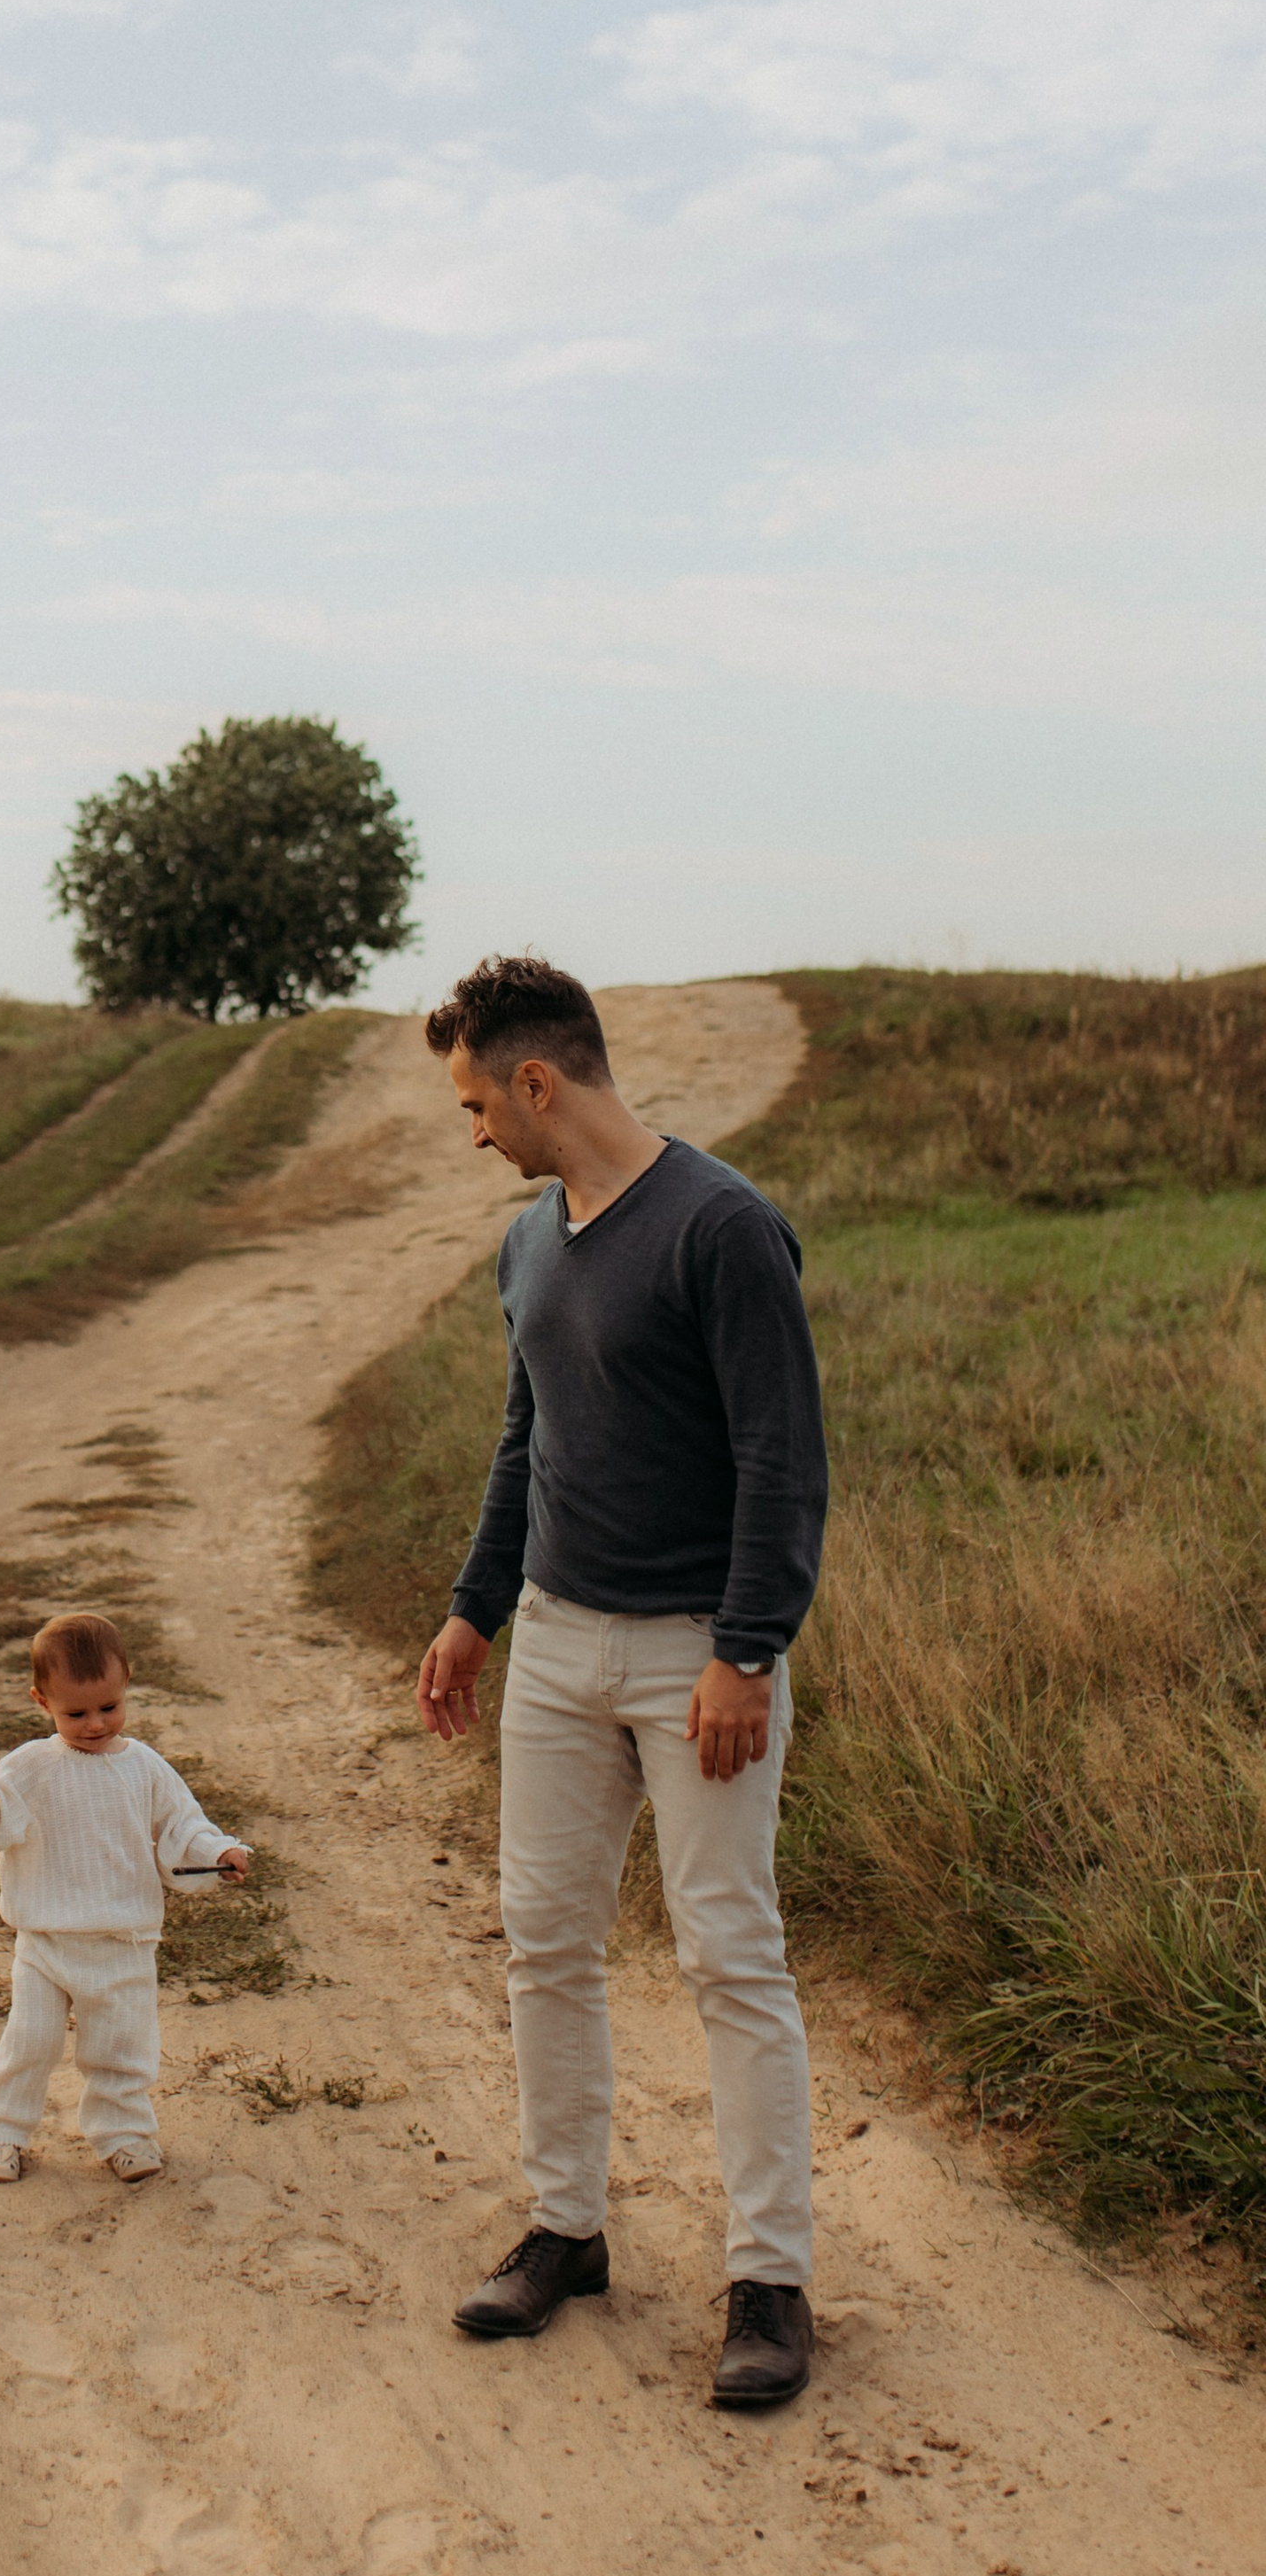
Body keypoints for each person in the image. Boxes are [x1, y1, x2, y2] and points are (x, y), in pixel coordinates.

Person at [413, 955, 828, 2409]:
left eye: (476, 1102)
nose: (472, 1132)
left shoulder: (722, 1229)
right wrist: (475, 1615)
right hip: (557, 1644)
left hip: (695, 1655)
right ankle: (565, 2232)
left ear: (539, 1081)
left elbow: (783, 1460)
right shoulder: (532, 1243)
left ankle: (771, 2281)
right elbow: (526, 1445)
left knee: (728, 1953)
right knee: (543, 1940)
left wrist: (744, 1648)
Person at [0, 1610, 249, 2184]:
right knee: (30, 2041)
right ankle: (0, 2132)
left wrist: (218, 1853)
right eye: (74, 1713)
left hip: (124, 1940)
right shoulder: (31, 1767)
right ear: (41, 1700)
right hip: (46, 1940)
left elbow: (182, 1827)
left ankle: (124, 2133)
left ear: (126, 1680)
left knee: (121, 2048)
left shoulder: (145, 1768)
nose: (94, 1724)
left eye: (108, 1707)